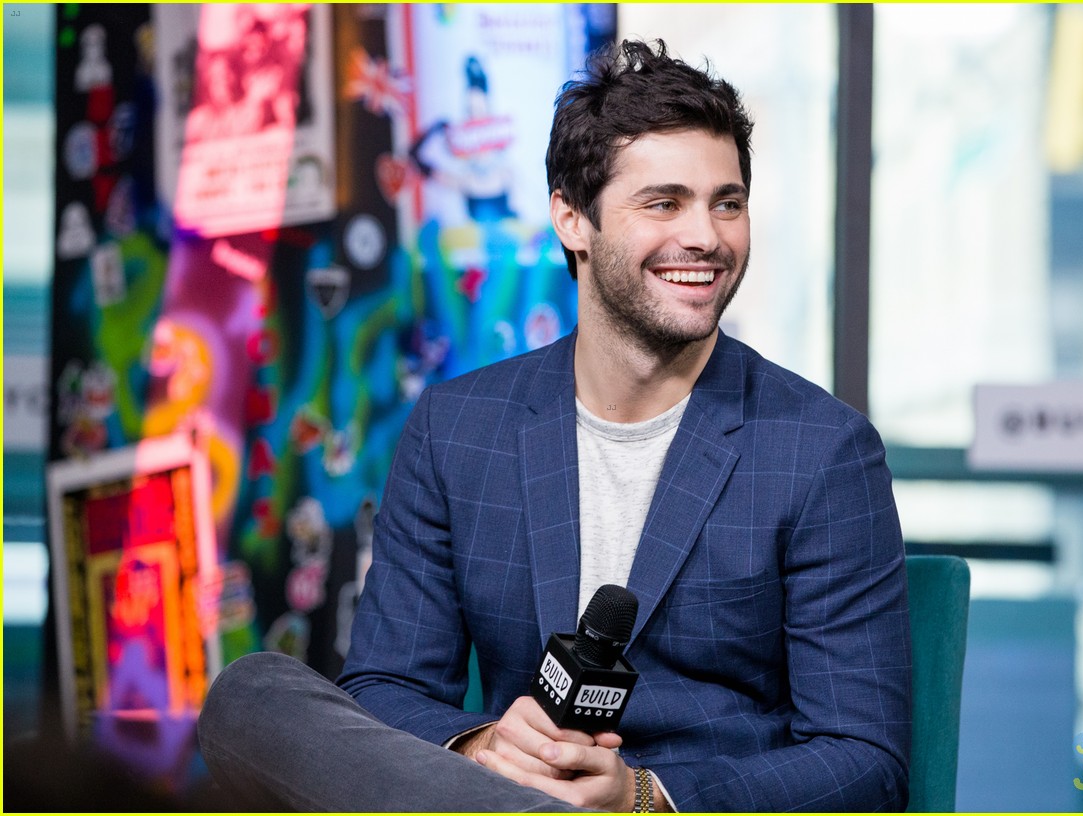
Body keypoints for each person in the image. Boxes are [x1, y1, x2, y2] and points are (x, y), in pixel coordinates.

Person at [198, 38, 911, 812]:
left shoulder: (821, 450)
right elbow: (388, 688)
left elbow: (863, 761)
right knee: (251, 695)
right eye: (664, 202)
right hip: (489, 795)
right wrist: (483, 749)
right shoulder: (458, 427)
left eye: (727, 202)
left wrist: (645, 796)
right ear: (572, 218)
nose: (708, 235)